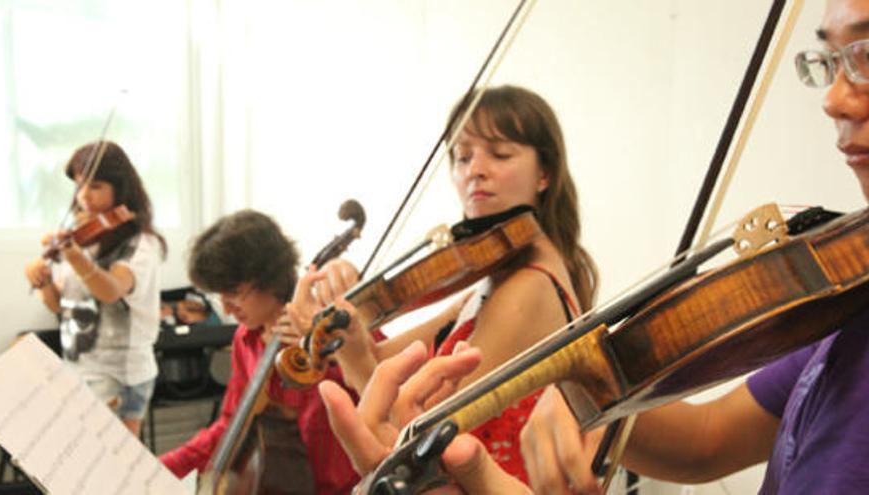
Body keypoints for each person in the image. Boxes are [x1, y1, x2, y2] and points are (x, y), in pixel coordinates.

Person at [321, 1, 869, 493]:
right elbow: (706, 439)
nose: (833, 100)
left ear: (545, 174)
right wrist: (587, 391)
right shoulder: (844, 295)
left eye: (865, 55)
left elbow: (418, 405)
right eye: (830, 60)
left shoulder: (530, 284)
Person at [288, 84, 598, 485]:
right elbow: (383, 365)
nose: (475, 170)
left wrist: (351, 356)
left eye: (500, 154)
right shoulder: (490, 283)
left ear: (545, 174)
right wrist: (344, 327)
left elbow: (416, 430)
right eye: (462, 157)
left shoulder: (529, 288)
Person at [158, 210, 360, 495]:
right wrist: (161, 469)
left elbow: (379, 386)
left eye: (235, 294)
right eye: (220, 296)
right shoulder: (245, 339)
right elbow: (231, 423)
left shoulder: (332, 329)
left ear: (270, 279)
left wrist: (337, 354)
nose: (226, 309)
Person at [23, 141, 167, 437]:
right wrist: (44, 280)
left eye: (96, 186)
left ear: (121, 189)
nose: (83, 196)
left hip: (119, 374)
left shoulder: (140, 243)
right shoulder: (81, 239)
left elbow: (112, 290)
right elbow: (60, 307)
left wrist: (73, 255)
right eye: (79, 186)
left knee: (112, 468)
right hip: (79, 368)